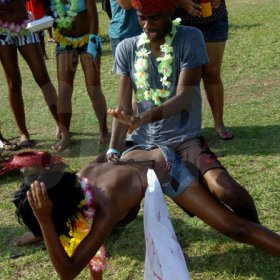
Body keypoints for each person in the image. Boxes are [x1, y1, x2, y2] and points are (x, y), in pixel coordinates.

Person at [13, 146, 280, 279]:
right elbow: (80, 230)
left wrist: (46, 222)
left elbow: (68, 272)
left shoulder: (104, 208)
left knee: (236, 228)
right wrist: (44, 224)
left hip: (164, 167)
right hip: (133, 158)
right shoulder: (80, 184)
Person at [107, 0, 260, 224]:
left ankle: (256, 230)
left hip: (183, 140)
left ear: (170, 11)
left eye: (154, 17)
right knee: (117, 207)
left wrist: (140, 118)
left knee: (227, 190)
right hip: (141, 144)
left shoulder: (190, 37)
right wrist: (113, 147)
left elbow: (183, 97)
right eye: (142, 18)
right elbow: (122, 109)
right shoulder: (127, 47)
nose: (147, 25)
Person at [48, 0, 110, 151]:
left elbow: (93, 17)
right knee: (64, 90)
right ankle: (65, 135)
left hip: (87, 40)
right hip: (64, 42)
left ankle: (104, 130)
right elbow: (47, 16)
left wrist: (92, 45)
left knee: (93, 88)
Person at [0, 0, 59, 148]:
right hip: (2, 30)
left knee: (42, 77)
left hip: (24, 26)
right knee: (13, 82)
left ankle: (61, 124)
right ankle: (23, 133)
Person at [176, 0, 234, 140]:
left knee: (212, 73)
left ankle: (219, 124)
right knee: (185, 77)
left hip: (214, 19)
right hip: (181, 21)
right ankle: (184, 128)